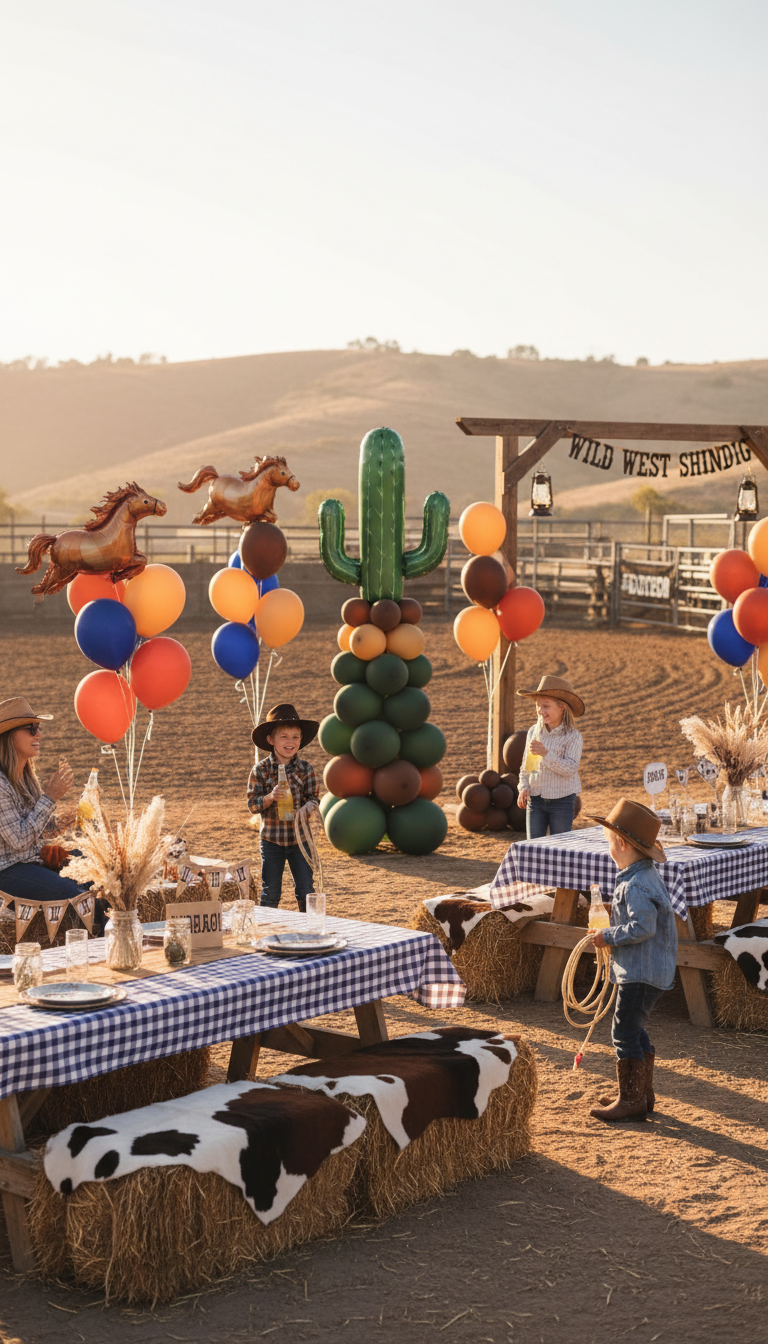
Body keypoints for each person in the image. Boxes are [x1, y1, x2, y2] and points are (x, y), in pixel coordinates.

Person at [587, 798, 677, 1123]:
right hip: (651, 970)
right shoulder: (644, 875)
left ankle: (632, 1099)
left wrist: (608, 936)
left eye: (610, 842)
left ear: (622, 844)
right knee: (634, 1028)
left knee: (623, 1031)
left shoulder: (635, 884)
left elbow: (643, 927)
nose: (609, 848)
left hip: (640, 972)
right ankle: (641, 1093)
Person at [0, 695, 92, 909]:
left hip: (31, 863)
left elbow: (42, 829)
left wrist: (73, 816)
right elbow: (19, 840)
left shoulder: (26, 777)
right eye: (31, 729)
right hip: (7, 871)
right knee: (75, 896)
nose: (39, 734)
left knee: (94, 870)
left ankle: (116, 925)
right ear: (9, 737)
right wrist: (50, 797)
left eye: (38, 727)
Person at [247, 703, 320, 911]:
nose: (290, 742)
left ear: (301, 740)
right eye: (284, 736)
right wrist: (270, 797)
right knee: (271, 891)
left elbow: (314, 798)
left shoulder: (305, 769)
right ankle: (267, 926)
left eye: (295, 737)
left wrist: (308, 808)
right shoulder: (260, 770)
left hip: (300, 839)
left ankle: (310, 927)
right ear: (271, 740)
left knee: (306, 890)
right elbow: (253, 804)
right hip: (272, 840)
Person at [516, 674, 584, 839]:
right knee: (534, 846)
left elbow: (570, 769)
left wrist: (546, 754)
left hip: (562, 801)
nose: (541, 710)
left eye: (546, 706)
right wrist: (523, 786)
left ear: (562, 707)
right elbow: (528, 766)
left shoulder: (573, 736)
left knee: (559, 847)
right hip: (535, 800)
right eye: (538, 706)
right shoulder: (534, 732)